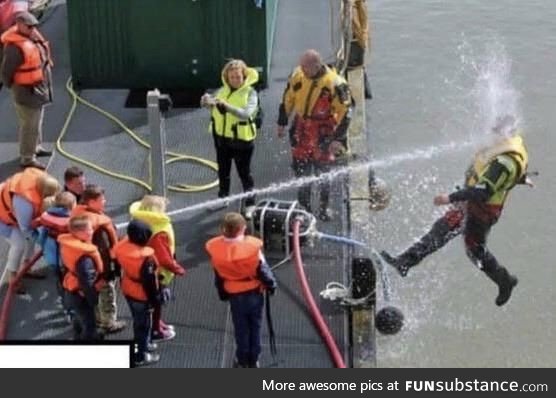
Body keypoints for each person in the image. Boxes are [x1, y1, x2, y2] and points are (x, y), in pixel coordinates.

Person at [381, 115, 531, 306]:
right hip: (470, 202)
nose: (491, 133)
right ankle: (405, 262)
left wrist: (450, 198)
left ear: (505, 134)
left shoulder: (504, 161)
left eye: (495, 130)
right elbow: (506, 174)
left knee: (474, 250)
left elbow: (484, 191)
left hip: (482, 211)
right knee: (441, 228)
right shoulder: (501, 149)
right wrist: (521, 178)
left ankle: (505, 281)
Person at [277, 49, 352, 221]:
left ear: (317, 66)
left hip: (323, 132)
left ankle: (324, 208)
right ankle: (305, 208)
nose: (302, 70)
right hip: (302, 129)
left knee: (324, 173)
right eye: (301, 66)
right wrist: (282, 121)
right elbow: (288, 98)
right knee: (301, 170)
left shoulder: (335, 84)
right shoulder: (298, 75)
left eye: (306, 67)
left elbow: (346, 112)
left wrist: (337, 139)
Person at [205, 212, 277, 368]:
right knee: (255, 327)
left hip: (234, 295)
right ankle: (254, 359)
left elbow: (219, 277)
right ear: (242, 229)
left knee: (241, 329)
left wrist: (223, 294)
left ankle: (241, 359)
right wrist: (271, 285)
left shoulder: (216, 252)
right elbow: (263, 271)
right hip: (254, 293)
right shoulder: (252, 249)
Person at [201, 59, 259, 213]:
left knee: (244, 173)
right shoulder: (221, 91)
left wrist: (227, 106)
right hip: (221, 139)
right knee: (223, 171)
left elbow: (246, 113)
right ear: (226, 77)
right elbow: (212, 107)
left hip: (241, 141)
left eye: (238, 77)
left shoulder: (251, 93)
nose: (235, 80)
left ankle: (250, 203)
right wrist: (206, 102)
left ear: (244, 76)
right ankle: (223, 198)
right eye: (231, 77)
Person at [129, 195, 186, 342]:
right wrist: (177, 268)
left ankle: (157, 323)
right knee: (157, 302)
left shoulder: (139, 221)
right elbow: (163, 257)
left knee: (153, 303)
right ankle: (156, 330)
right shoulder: (159, 231)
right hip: (157, 273)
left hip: (142, 269)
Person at [1, 11, 53, 169]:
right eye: (29, 27)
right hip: (26, 93)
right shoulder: (14, 48)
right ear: (19, 25)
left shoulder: (32, 37)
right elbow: (6, 72)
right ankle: (27, 157)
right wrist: (14, 86)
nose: (33, 29)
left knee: (37, 122)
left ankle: (36, 148)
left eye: (34, 26)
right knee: (29, 125)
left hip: (38, 90)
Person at [71, 184, 126, 333]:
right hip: (100, 270)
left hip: (84, 268)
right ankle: (108, 323)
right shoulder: (99, 229)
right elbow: (103, 251)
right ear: (91, 202)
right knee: (107, 296)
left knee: (91, 298)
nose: (105, 201)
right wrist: (108, 272)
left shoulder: (79, 216)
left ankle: (90, 319)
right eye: (101, 199)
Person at [0, 166, 59, 294]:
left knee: (30, 239)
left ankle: (27, 267)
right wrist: (43, 241)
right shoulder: (24, 204)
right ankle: (13, 276)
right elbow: (25, 228)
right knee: (19, 243)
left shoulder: (42, 182)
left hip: (13, 210)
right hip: (2, 217)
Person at [112, 219, 160, 366]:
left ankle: (144, 345)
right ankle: (140, 354)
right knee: (142, 326)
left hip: (128, 287)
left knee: (139, 321)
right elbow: (149, 283)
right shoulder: (146, 259)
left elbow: (116, 265)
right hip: (142, 295)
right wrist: (154, 301)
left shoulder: (121, 248)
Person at [58, 215, 103, 340]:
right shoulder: (85, 259)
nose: (92, 231)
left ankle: (78, 335)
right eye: (90, 229)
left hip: (70, 289)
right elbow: (87, 282)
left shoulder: (69, 246)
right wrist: (93, 299)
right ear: (80, 233)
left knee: (79, 318)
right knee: (89, 325)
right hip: (80, 294)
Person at [36, 191, 76, 312]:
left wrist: (46, 250)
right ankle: (74, 308)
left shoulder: (47, 219)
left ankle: (66, 307)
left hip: (52, 259)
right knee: (72, 283)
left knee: (60, 282)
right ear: (72, 206)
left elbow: (40, 240)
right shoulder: (72, 221)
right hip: (67, 261)